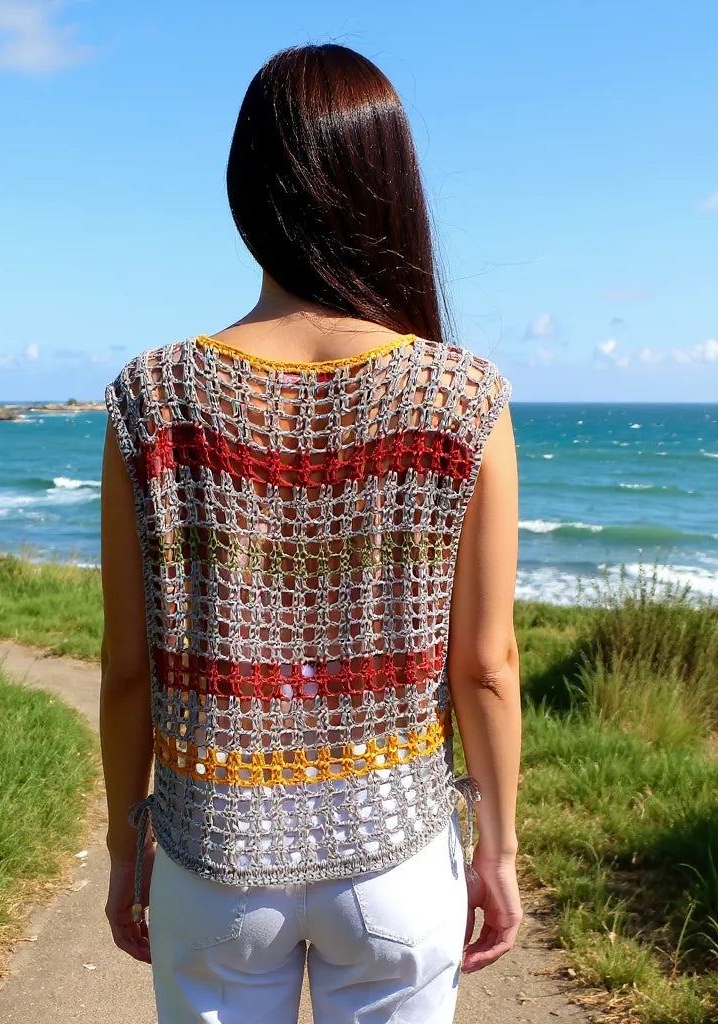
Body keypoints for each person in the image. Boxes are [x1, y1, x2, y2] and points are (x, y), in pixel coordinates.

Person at [99, 41, 522, 1024]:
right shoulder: (461, 395)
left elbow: (127, 666)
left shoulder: (152, 395)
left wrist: (126, 848)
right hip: (395, 854)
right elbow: (487, 665)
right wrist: (497, 850)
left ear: (247, 189)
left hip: (213, 851)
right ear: (390, 184)